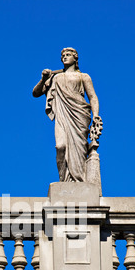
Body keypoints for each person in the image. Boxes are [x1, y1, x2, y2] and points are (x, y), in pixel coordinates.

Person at [33, 48, 101, 182]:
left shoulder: (83, 77)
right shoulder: (56, 77)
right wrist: (43, 79)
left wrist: (96, 116)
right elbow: (36, 93)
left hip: (79, 116)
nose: (64, 57)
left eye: (68, 55)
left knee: (78, 150)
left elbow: (93, 97)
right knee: (60, 146)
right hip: (62, 116)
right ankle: (63, 179)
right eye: (63, 55)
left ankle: (78, 180)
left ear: (75, 58)